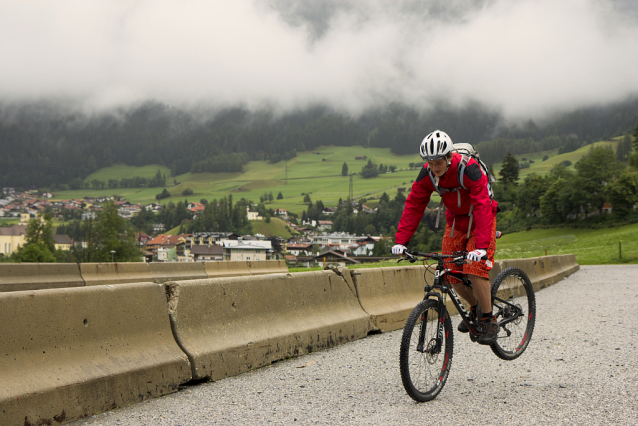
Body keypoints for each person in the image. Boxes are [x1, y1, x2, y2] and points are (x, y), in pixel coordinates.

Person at [391, 130, 499, 345]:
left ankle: (488, 319)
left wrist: (481, 246)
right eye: (429, 163)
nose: (434, 167)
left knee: (474, 268)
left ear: (449, 157)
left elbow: (482, 205)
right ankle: (475, 308)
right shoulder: (428, 174)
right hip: (455, 221)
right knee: (448, 272)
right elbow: (414, 205)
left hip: (480, 219)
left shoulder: (469, 169)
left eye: (438, 162)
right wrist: (401, 241)